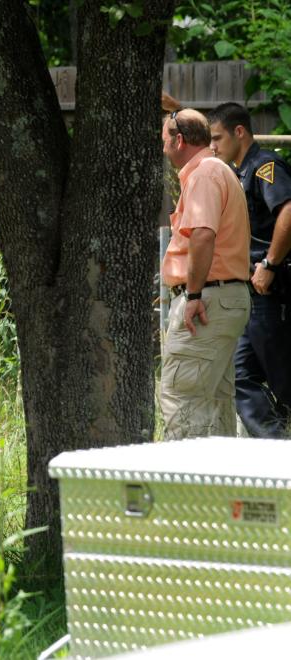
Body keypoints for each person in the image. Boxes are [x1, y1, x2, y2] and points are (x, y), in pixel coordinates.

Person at [159, 107, 251, 439]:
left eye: (164, 139)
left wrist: (194, 295)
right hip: (224, 297)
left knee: (181, 399)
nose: (163, 147)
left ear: (179, 140)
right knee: (214, 406)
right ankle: (225, 491)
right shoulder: (216, 170)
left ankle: (181, 490)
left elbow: (202, 234)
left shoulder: (204, 174)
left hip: (207, 299)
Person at [209, 102, 291, 437]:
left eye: (217, 138)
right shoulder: (239, 172)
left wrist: (270, 264)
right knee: (240, 374)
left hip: (273, 288)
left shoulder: (264, 166)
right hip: (249, 291)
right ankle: (275, 452)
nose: (212, 146)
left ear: (239, 132)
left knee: (284, 379)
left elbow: (288, 212)